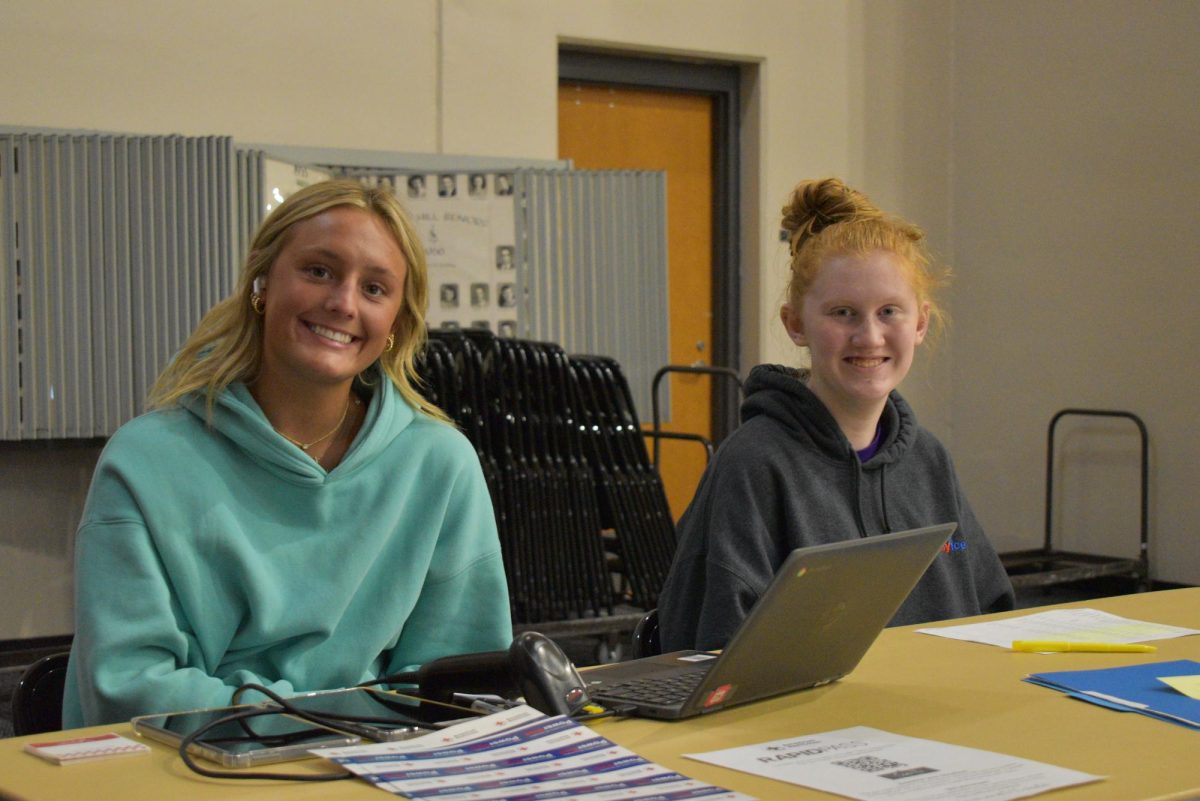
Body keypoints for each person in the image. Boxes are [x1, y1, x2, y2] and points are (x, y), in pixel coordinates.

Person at [62, 179, 512, 726]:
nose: (343, 303)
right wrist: (336, 719)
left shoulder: (440, 465)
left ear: (396, 323)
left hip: (375, 775)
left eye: (374, 289)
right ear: (262, 283)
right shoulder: (144, 461)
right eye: (319, 271)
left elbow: (459, 690)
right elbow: (130, 689)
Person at [657, 177, 1013, 652]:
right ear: (796, 324)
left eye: (889, 311)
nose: (869, 336)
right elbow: (708, 656)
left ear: (921, 323)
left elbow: (990, 606)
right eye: (843, 313)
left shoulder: (928, 461)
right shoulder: (753, 466)